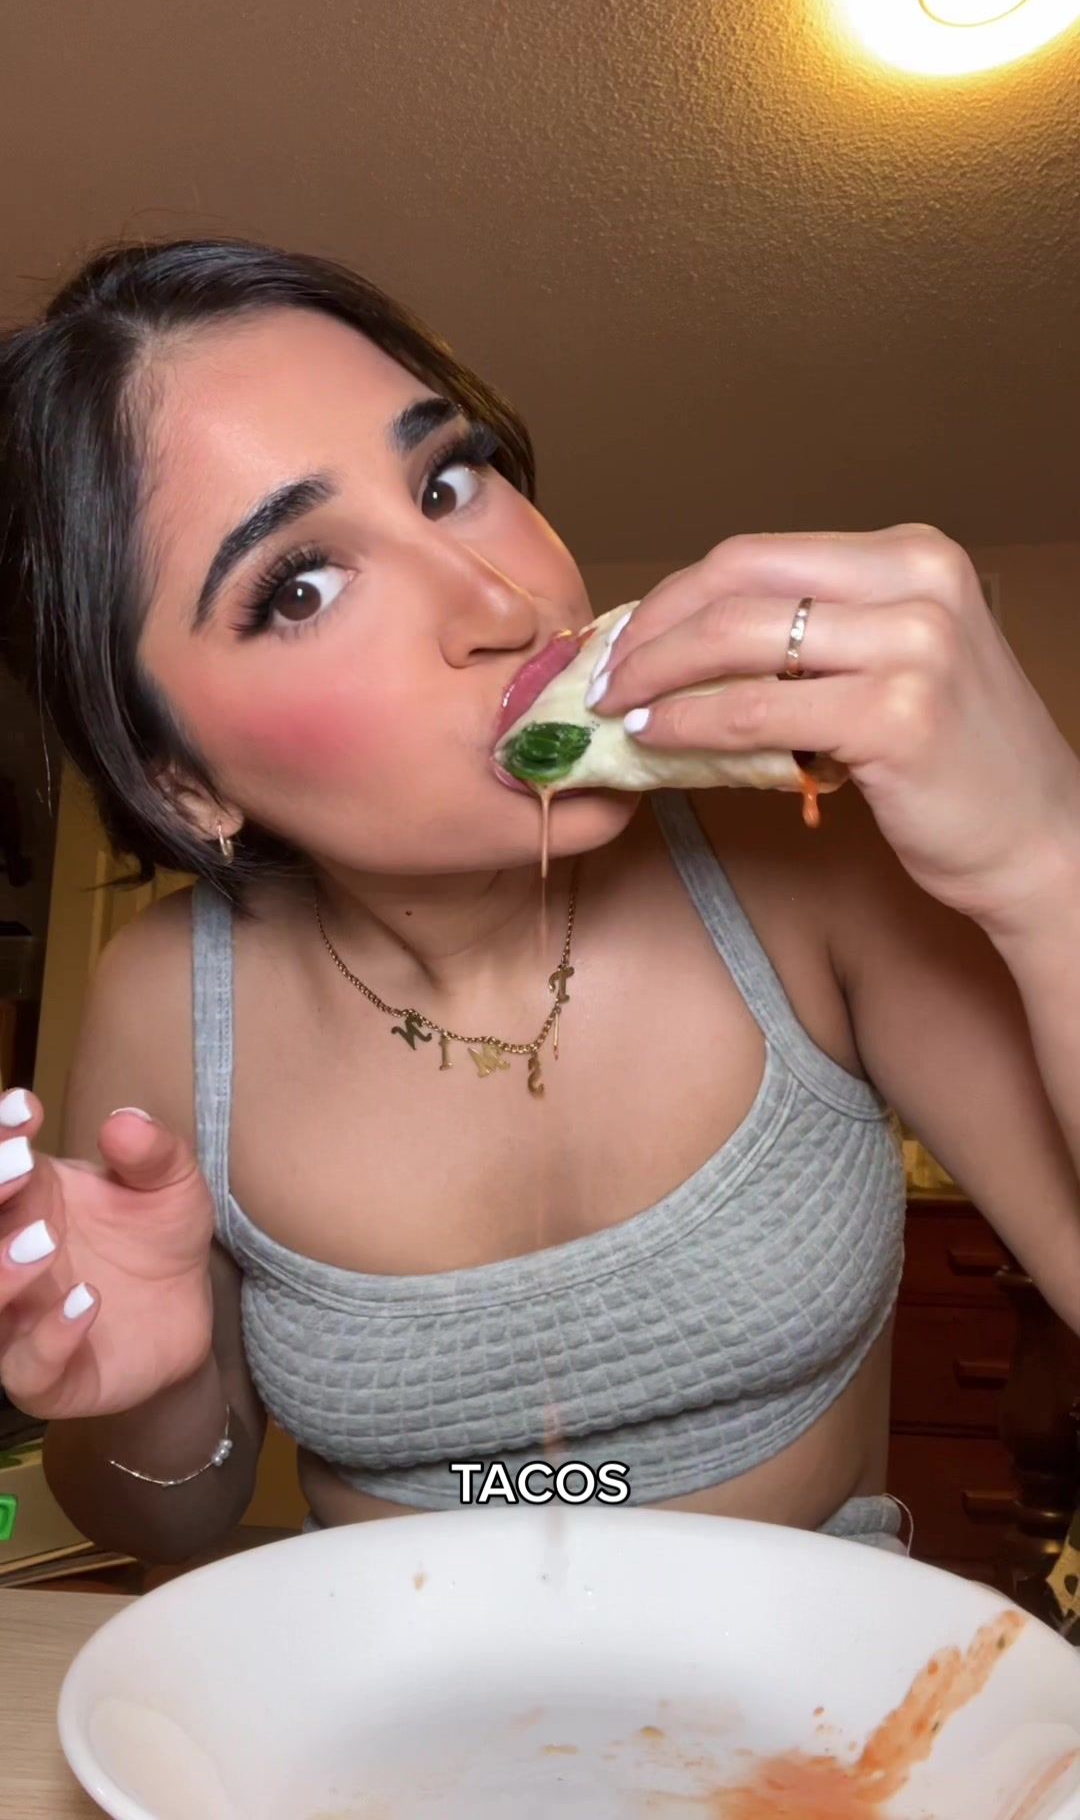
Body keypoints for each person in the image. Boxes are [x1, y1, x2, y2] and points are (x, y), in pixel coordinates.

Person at [0, 237, 1078, 1569]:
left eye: (446, 482)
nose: (499, 602)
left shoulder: (810, 853)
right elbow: (161, 1512)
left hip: (826, 1679)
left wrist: (1048, 858)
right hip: (384, 1683)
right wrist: (157, 1393)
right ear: (182, 781)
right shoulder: (170, 1003)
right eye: (301, 587)